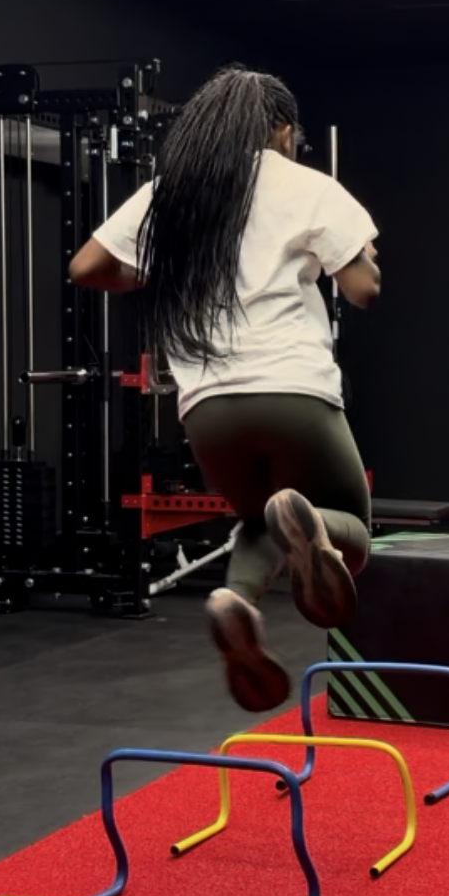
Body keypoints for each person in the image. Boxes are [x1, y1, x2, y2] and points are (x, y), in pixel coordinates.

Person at [68, 66, 379, 712]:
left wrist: (152, 276)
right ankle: (315, 524)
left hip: (208, 406)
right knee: (353, 529)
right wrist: (361, 259)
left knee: (260, 518)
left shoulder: (175, 191)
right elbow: (361, 290)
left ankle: (234, 600)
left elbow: (88, 267)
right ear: (285, 129)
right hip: (294, 389)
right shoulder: (308, 185)